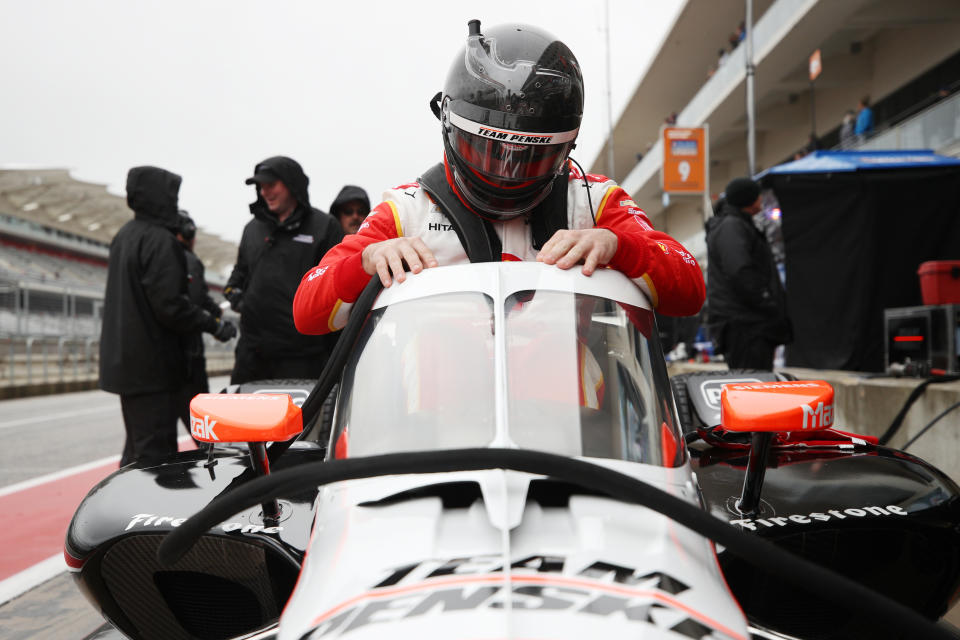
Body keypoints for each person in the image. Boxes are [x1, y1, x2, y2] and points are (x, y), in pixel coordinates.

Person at [293, 20, 704, 337]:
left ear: (565, 149)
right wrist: (365, 262)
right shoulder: (407, 211)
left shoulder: (593, 201)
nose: (506, 174)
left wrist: (621, 246)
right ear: (450, 126)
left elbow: (689, 290)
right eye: (490, 150)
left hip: (571, 430)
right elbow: (307, 310)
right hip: (433, 433)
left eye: (530, 157)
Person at [100, 167, 236, 466]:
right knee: (156, 457)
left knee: (137, 449)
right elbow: (171, 307)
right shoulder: (160, 241)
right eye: (172, 195)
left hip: (128, 364)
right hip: (154, 367)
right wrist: (212, 324)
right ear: (161, 197)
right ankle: (148, 510)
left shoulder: (124, 235)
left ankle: (129, 503)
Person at [224, 156, 344, 384]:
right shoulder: (252, 229)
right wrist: (237, 297)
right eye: (260, 186)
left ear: (292, 184)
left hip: (303, 358)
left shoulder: (324, 227)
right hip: (253, 356)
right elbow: (238, 275)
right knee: (246, 419)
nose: (264, 192)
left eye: (271, 185)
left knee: (302, 420)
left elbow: (337, 286)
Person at [705, 177, 791, 370]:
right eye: (757, 195)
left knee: (755, 384)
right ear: (749, 200)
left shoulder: (736, 225)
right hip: (745, 325)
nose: (761, 199)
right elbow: (739, 271)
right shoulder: (732, 226)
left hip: (748, 323)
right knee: (753, 385)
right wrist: (766, 300)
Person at [173, 210, 225, 439]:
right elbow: (195, 301)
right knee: (203, 432)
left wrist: (216, 313)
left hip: (163, 360)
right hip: (187, 360)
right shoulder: (188, 260)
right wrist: (217, 325)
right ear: (188, 233)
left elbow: (201, 298)